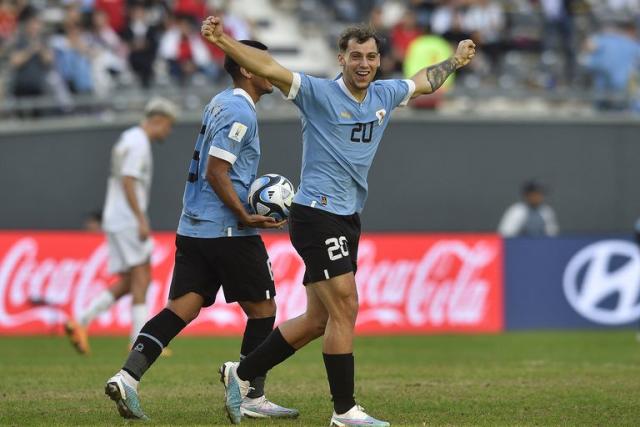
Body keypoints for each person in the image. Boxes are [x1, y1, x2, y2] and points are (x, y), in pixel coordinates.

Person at [201, 16, 475, 426]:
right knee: (347, 305)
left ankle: (240, 373)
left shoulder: (385, 93)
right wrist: (222, 39)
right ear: (341, 59)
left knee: (318, 320)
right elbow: (268, 68)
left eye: (371, 56)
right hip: (316, 214)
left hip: (347, 217)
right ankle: (344, 410)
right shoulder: (316, 93)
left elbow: (423, 81)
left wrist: (454, 60)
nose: (363, 63)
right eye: (355, 56)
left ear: (379, 60)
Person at [102, 40, 298, 422]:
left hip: (192, 227)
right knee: (264, 310)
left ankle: (128, 376)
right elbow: (216, 170)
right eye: (264, 62)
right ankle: (247, 388)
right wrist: (246, 214)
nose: (272, 68)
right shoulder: (241, 111)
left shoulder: (220, 102)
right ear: (246, 68)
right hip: (227, 231)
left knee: (181, 308)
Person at [65, 97, 178, 355]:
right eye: (168, 126)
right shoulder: (138, 143)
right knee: (142, 275)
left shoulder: (128, 138)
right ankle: (139, 339)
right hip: (127, 219)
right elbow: (128, 180)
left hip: (115, 217)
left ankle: (81, 320)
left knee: (129, 280)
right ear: (158, 120)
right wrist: (140, 218)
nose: (168, 132)